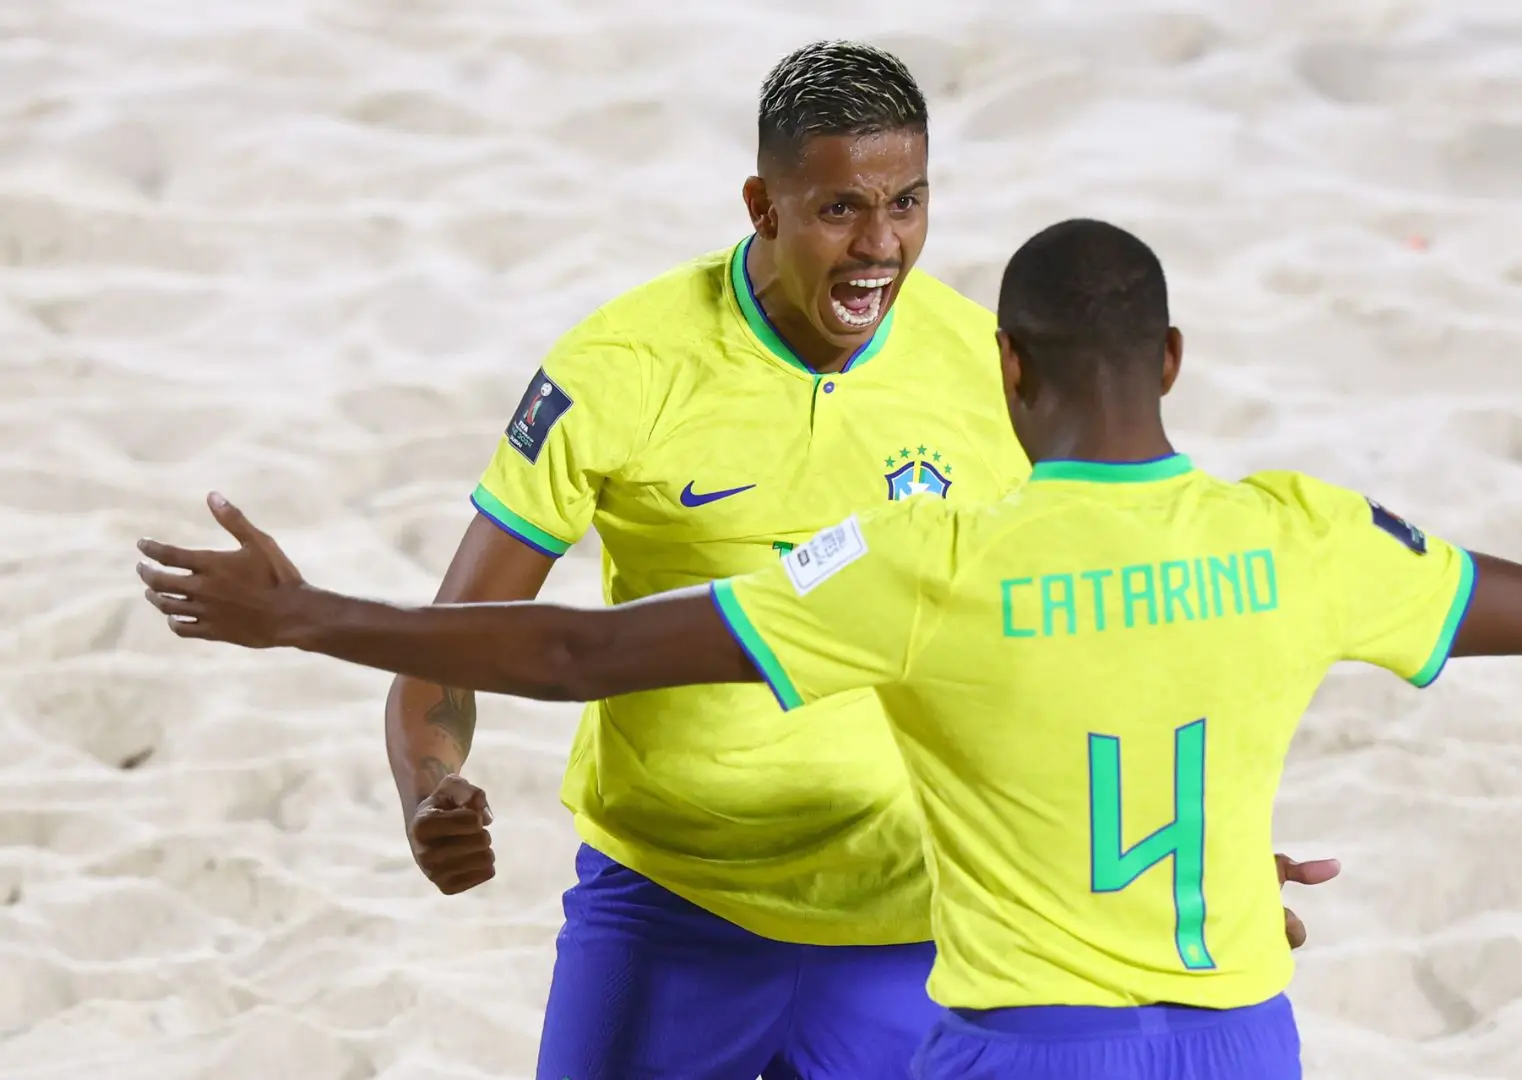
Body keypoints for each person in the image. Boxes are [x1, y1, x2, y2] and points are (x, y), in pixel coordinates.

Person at [136, 218, 1522, 1078]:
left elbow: (582, 657)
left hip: (1030, 1048)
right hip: (1245, 1036)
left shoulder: (931, 561)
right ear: (1174, 353)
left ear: (1002, 375)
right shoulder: (1301, 533)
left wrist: (307, 620)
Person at [368, 38, 1336, 1080]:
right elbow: (448, 649)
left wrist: (1196, 871)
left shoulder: (990, 368)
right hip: (670, 910)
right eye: (841, 211)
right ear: (764, 205)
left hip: (920, 923)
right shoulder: (620, 369)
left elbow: (1103, 632)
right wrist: (431, 787)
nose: (881, 246)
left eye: (908, 204)